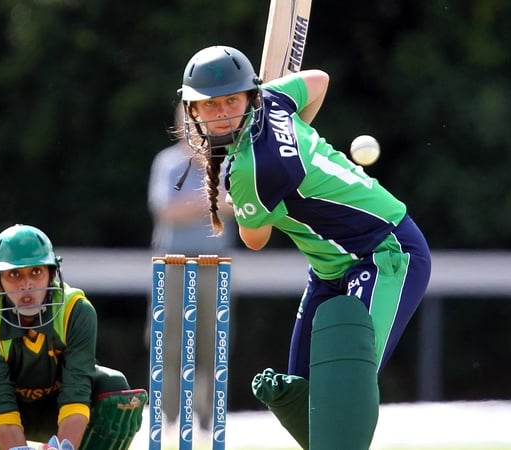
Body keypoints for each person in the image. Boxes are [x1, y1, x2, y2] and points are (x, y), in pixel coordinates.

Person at [174, 45, 432, 450]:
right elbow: (317, 81)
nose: (221, 112)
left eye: (230, 101)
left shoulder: (251, 169)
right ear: (193, 110)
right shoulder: (274, 98)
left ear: (248, 97)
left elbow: (254, 238)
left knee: (343, 395)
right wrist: (294, 141)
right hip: (329, 268)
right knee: (300, 394)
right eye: (209, 105)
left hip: (385, 253)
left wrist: (259, 191)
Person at [0, 224, 147, 450]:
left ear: (52, 273)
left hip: (58, 409)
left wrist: (62, 448)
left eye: (36, 272)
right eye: (14, 274)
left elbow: (76, 392)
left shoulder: (76, 311)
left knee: (114, 388)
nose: (26, 284)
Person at [144, 105, 237, 437]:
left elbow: (236, 208)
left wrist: (204, 191)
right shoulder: (167, 163)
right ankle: (167, 418)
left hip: (215, 262)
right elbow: (167, 211)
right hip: (174, 264)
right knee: (169, 342)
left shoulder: (225, 162)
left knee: (213, 342)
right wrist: (209, 202)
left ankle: (207, 418)